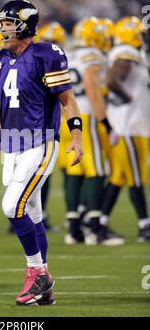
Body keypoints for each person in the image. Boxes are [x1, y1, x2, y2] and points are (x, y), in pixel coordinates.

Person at [0, 0, 83, 306]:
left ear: (24, 25)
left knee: (12, 207)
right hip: (12, 146)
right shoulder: (0, 58)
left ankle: (36, 273)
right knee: (32, 213)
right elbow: (5, 110)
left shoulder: (46, 54)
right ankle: (45, 286)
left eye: (7, 23)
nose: (2, 29)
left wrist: (76, 135)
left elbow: (68, 100)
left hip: (40, 142)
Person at [64, 17, 122, 246]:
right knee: (98, 170)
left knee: (76, 171)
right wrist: (106, 123)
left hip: (66, 116)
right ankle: (95, 229)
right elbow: (92, 89)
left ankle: (74, 228)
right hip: (85, 116)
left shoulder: (68, 54)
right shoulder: (92, 57)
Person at [102, 16, 150, 242]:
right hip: (129, 126)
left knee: (119, 178)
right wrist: (127, 97)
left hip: (131, 126)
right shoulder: (126, 52)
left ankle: (98, 221)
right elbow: (112, 80)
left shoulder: (129, 53)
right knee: (136, 178)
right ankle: (144, 227)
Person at [35, 21, 68, 231]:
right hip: (42, 124)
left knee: (59, 171)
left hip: (53, 122)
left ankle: (73, 214)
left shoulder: (35, 58)